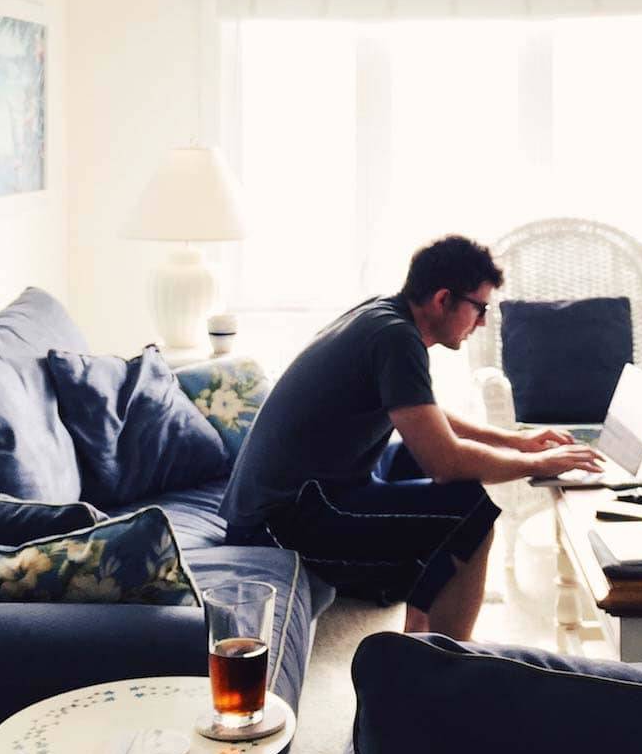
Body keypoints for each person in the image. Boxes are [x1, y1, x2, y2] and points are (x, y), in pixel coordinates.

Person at [221, 233, 602, 640]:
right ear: (442, 299)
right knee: (468, 510)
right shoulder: (395, 338)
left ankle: (417, 633)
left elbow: (426, 416)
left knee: (420, 464)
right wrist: (538, 464)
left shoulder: (384, 316)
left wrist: (516, 441)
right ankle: (446, 665)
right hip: (278, 520)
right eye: (480, 308)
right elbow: (447, 461)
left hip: (291, 495)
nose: (484, 322)